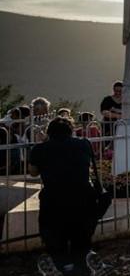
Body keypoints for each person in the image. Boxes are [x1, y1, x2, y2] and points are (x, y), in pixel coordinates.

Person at [28, 117, 96, 275]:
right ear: (71, 131)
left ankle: (63, 266)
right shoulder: (83, 144)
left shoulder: (40, 149)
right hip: (83, 198)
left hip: (53, 199)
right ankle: (82, 265)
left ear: (49, 132)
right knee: (81, 235)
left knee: (55, 235)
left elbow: (33, 172)